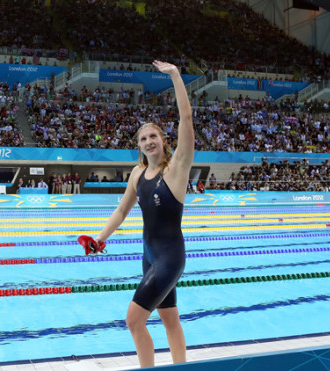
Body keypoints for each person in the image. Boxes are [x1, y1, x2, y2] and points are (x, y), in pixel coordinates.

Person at [89, 60, 192, 368]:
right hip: (149, 256)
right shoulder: (137, 174)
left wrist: (174, 75)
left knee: (134, 321)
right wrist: (99, 239)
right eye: (143, 138)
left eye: (154, 136)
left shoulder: (175, 170)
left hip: (170, 257)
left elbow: (185, 117)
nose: (149, 141)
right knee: (170, 320)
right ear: (139, 146)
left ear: (164, 141)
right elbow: (122, 210)